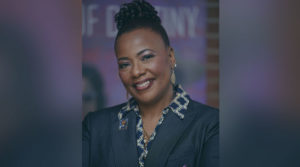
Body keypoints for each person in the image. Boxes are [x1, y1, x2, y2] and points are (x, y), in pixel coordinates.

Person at [82, 0, 219, 167]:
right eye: (125, 64)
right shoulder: (96, 127)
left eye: (146, 57)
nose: (136, 71)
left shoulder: (211, 125)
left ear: (171, 57)